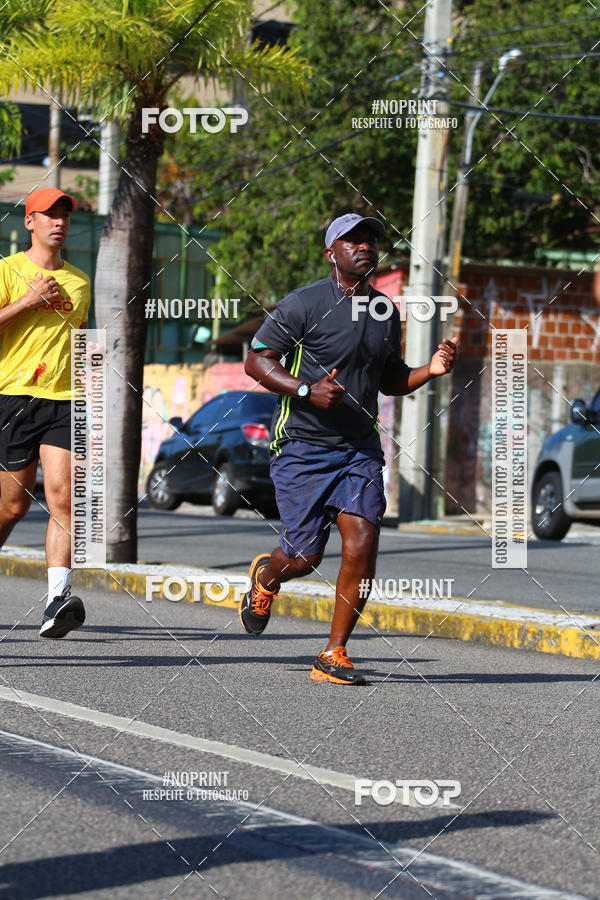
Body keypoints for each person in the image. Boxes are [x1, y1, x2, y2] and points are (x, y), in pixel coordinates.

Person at [240, 212, 458, 684]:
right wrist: (304, 391)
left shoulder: (385, 312)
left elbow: (391, 378)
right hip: (302, 447)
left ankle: (334, 652)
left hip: (358, 449)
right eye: (352, 240)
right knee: (304, 557)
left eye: (370, 241)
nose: (364, 247)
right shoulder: (302, 304)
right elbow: (257, 361)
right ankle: (267, 578)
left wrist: (430, 371)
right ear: (331, 253)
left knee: (362, 542)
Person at [0, 187, 90, 638]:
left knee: (63, 497)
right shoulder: (8, 270)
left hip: (64, 400)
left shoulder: (79, 282)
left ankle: (57, 600)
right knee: (13, 506)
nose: (58, 222)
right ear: (28, 222)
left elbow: (80, 343)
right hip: (12, 397)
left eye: (64, 216)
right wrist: (28, 302)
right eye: (48, 215)